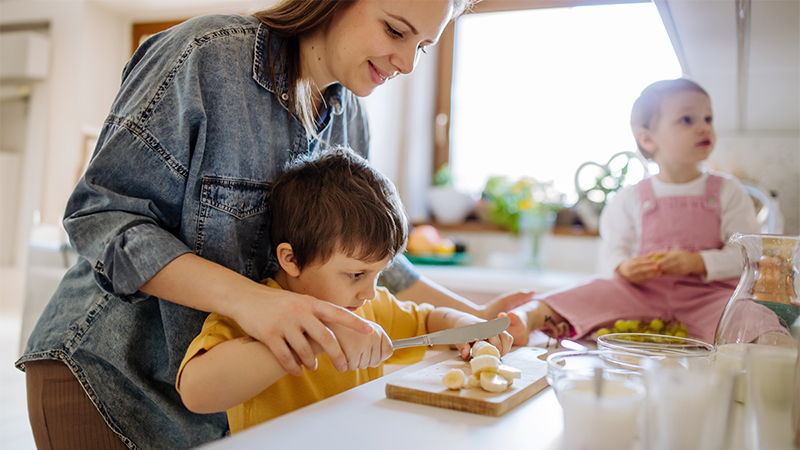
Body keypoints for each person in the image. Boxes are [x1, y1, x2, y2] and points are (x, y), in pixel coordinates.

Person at [15, 1, 532, 449]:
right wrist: (253, 301)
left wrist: (473, 320)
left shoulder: (350, 118)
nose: (406, 62)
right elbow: (101, 215)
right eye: (396, 31)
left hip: (214, 408)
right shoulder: (206, 56)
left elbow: (371, 260)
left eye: (422, 46)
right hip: (107, 377)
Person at [177, 146, 513, 431]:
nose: (370, 291)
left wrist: (459, 325)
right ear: (291, 259)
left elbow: (429, 321)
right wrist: (322, 338)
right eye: (355, 274)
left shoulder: (367, 306)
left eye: (379, 274)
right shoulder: (254, 316)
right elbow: (196, 392)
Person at [505, 78, 764, 346]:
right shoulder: (631, 198)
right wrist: (624, 266)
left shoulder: (728, 191)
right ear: (647, 138)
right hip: (641, 295)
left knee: (754, 316)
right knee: (584, 292)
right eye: (687, 120)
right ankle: (527, 318)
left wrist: (697, 262)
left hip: (709, 299)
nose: (703, 127)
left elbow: (747, 255)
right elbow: (612, 250)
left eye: (708, 119)